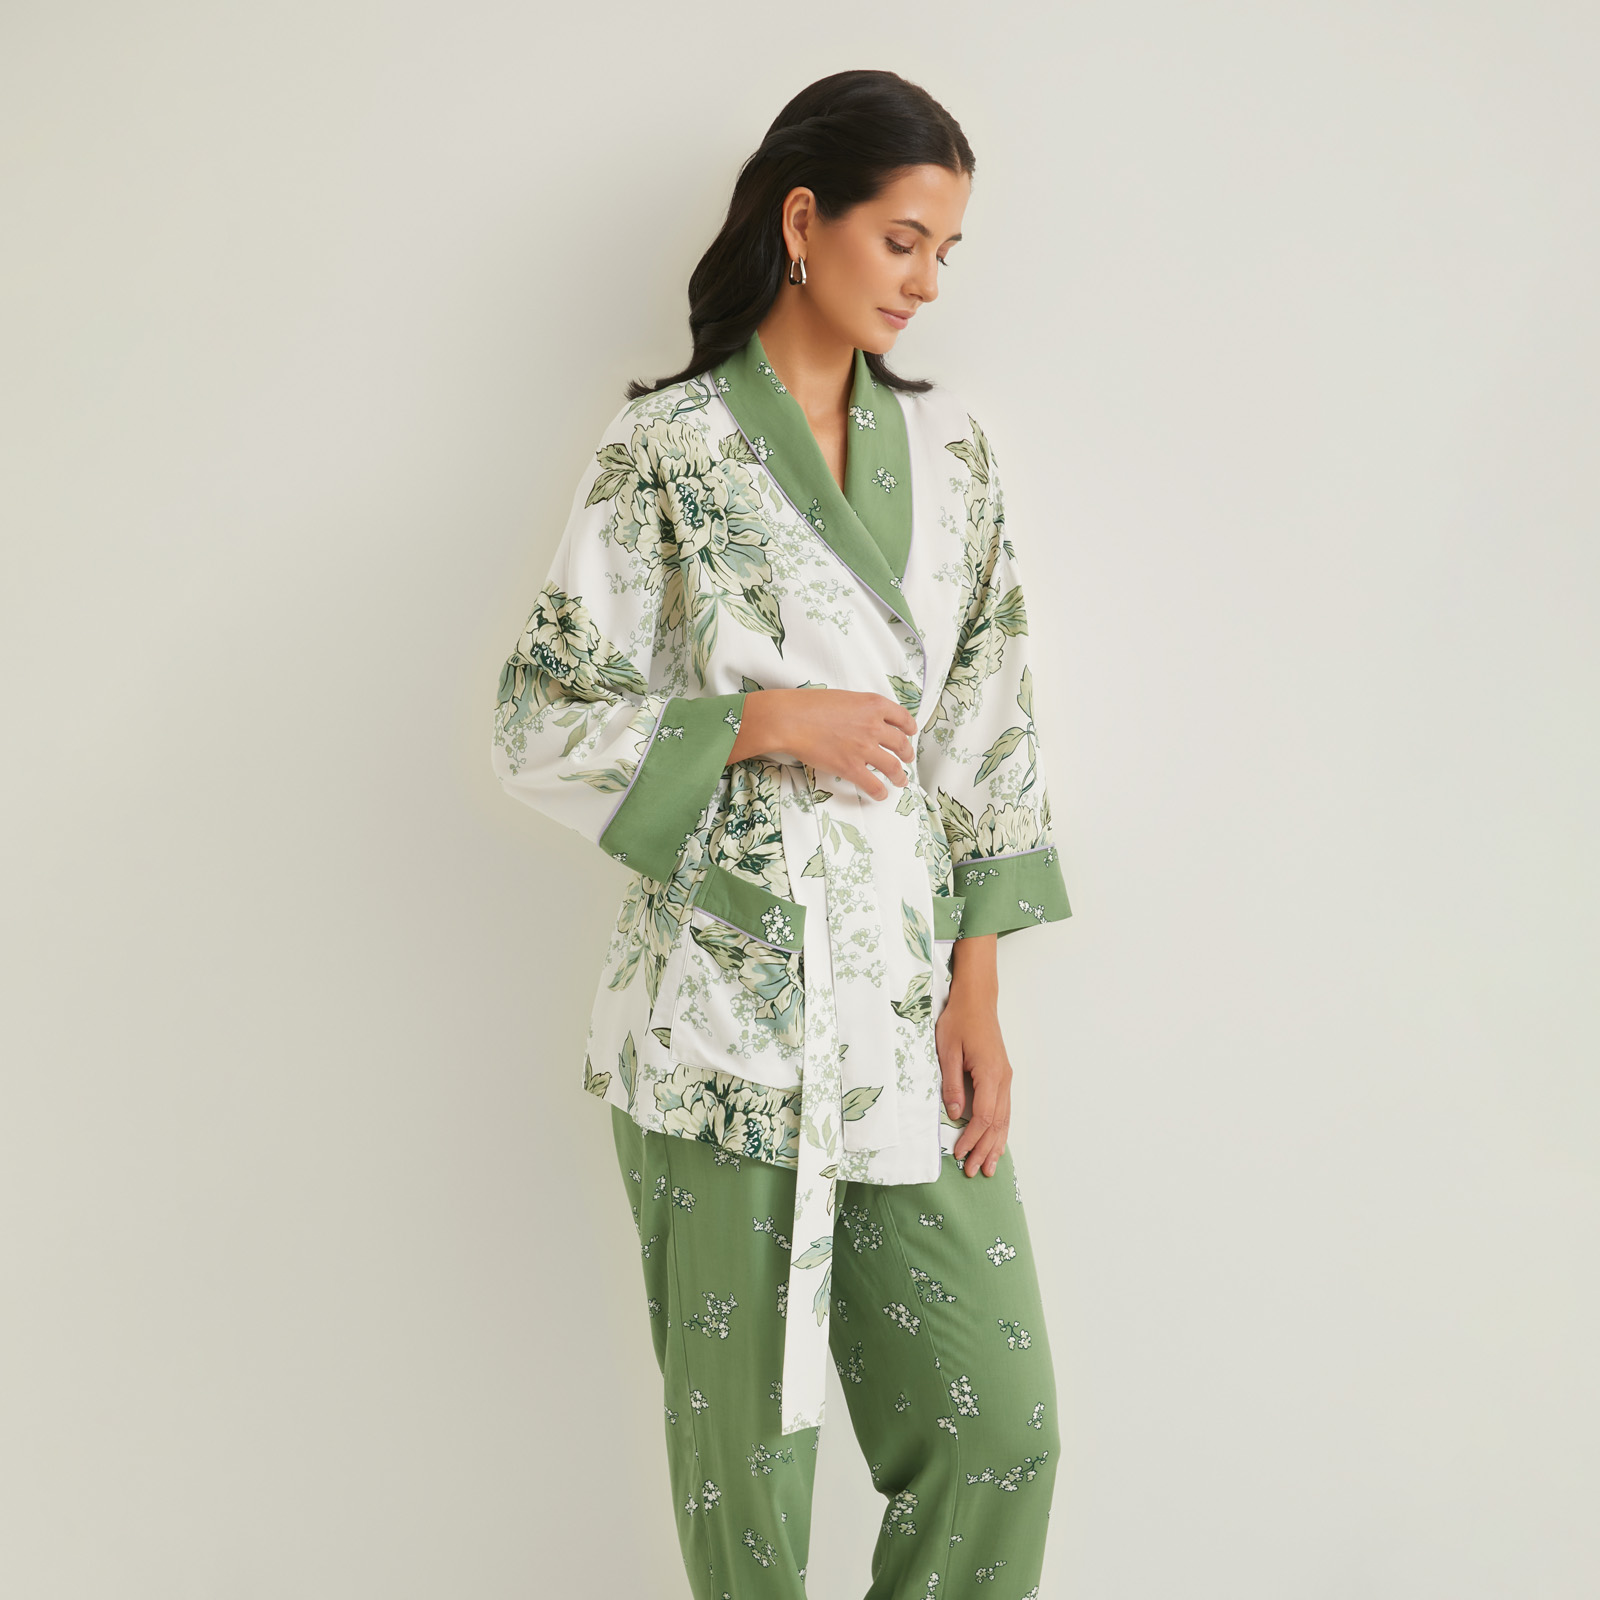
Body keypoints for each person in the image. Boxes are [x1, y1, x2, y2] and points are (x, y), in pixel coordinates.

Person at [491, 67, 1072, 1600]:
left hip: (899, 1007)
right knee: (746, 1483)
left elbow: (988, 730)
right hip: (719, 1021)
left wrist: (977, 992)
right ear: (805, 223)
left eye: (947, 250)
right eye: (903, 240)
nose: (927, 282)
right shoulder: (665, 450)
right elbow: (538, 719)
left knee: (1001, 1430)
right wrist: (758, 721)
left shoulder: (953, 458)